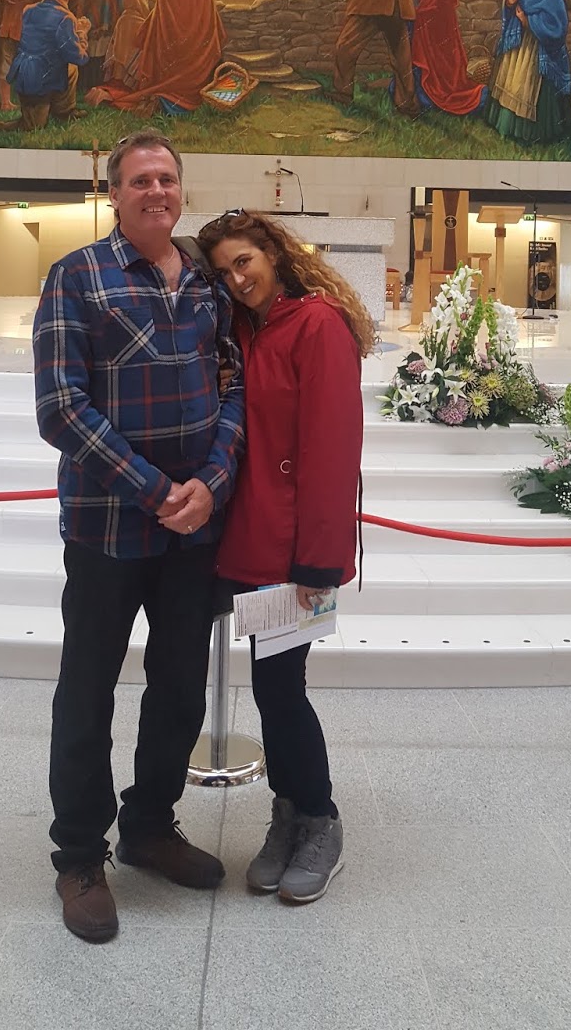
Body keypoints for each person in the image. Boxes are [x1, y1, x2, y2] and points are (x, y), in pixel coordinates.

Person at [33, 131, 245, 944]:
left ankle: (150, 826)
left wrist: (211, 482)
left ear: (181, 190)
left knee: (180, 687)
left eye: (167, 178)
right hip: (107, 526)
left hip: (194, 531)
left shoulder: (206, 281)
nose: (156, 190)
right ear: (115, 194)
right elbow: (61, 408)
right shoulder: (77, 277)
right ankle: (80, 855)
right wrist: (157, 492)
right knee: (87, 690)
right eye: (140, 180)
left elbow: (234, 385)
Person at [198, 209, 372, 904]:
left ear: (272, 253)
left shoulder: (317, 326)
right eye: (223, 272)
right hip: (247, 540)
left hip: (296, 550)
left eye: (244, 261)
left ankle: (320, 821)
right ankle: (289, 815)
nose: (236, 280)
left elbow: (332, 449)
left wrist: (319, 562)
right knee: (271, 688)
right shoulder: (245, 329)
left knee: (280, 689)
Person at [91, 0, 225, 116]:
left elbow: (150, 29)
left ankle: (159, 99)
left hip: (168, 63)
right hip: (196, 68)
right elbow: (216, 33)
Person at [483, 0, 571, 146]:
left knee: (527, 86)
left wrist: (527, 21)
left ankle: (534, 132)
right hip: (518, 43)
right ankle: (505, 123)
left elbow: (556, 24)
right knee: (512, 81)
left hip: (535, 46)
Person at [7, 0, 89, 131]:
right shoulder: (66, 17)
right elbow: (79, 57)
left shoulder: (28, 10)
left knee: (70, 68)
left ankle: (63, 110)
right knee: (33, 127)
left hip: (25, 75)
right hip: (42, 81)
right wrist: (82, 33)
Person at [407, 0, 485, 116]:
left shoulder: (427, 12)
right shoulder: (447, 7)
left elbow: (417, 25)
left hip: (434, 72)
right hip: (449, 70)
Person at [0, 0, 50, 112]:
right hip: (15, 32)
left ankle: (10, 101)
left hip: (12, 31)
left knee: (10, 64)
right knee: (8, 65)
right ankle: (6, 102)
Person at [102, 0, 150, 90]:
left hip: (118, 67)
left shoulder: (122, 19)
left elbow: (113, 45)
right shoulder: (140, 23)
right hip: (130, 71)